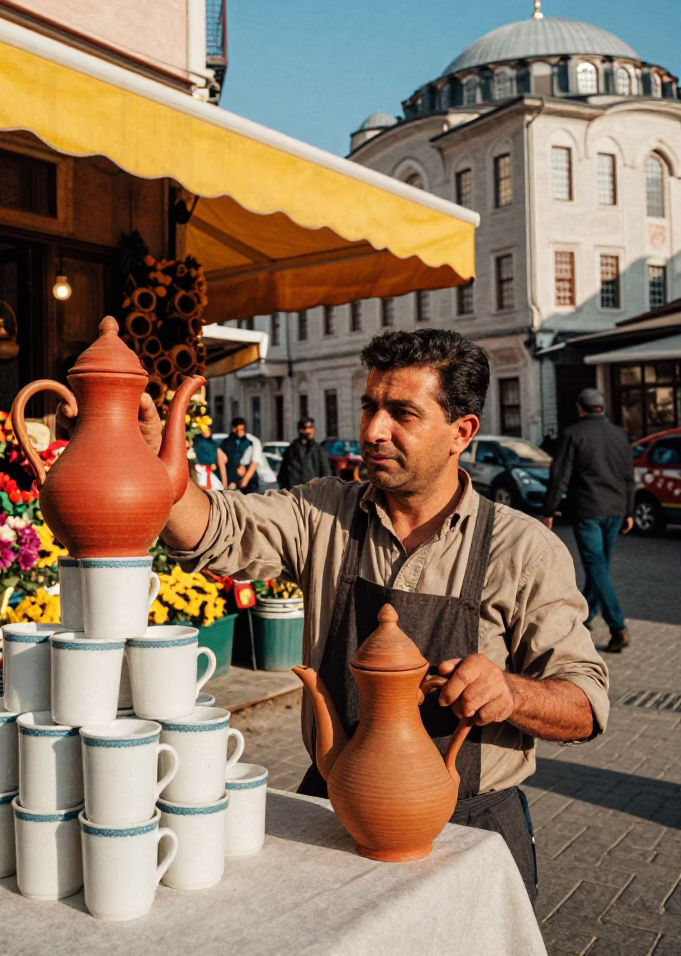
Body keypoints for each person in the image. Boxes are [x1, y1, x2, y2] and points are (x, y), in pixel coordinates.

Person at [138, 329, 609, 904]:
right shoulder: (323, 513)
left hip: (469, 830)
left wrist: (511, 692)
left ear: (461, 432)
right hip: (332, 812)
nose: (372, 431)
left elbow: (585, 703)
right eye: (370, 406)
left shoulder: (523, 549)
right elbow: (213, 530)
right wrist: (158, 473)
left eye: (402, 413)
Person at [543, 388, 634, 653]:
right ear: (601, 408)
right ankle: (587, 615)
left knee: (596, 567)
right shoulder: (620, 435)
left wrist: (549, 510)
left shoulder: (573, 434)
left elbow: (559, 475)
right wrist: (629, 511)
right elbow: (629, 476)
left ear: (580, 408)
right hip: (616, 510)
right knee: (600, 565)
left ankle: (618, 627)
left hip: (588, 510)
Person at [278, 417, 332, 490]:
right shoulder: (291, 450)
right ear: (301, 430)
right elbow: (282, 473)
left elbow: (326, 473)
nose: (310, 431)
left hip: (312, 493)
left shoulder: (318, 449)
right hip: (293, 493)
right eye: (307, 428)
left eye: (311, 428)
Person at [216, 417, 259, 493]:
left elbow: (254, 463)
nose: (241, 432)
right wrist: (225, 484)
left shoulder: (251, 442)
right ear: (234, 429)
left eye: (242, 430)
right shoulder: (225, 443)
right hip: (232, 483)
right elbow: (222, 464)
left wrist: (245, 478)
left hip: (249, 483)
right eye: (239, 430)